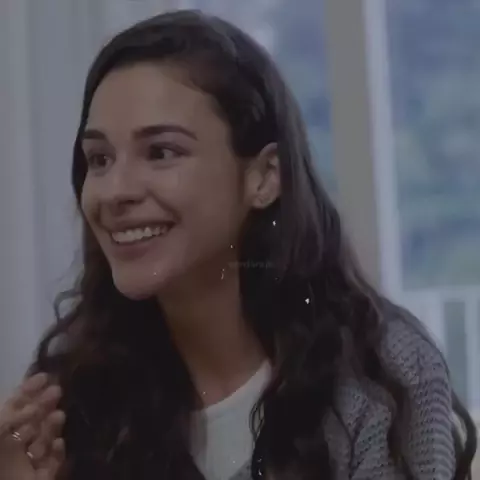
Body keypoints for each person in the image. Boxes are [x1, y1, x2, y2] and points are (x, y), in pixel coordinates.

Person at [0, 9, 476, 480]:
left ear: (263, 177)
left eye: (161, 152)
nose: (114, 191)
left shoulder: (382, 377)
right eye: (99, 159)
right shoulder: (73, 404)